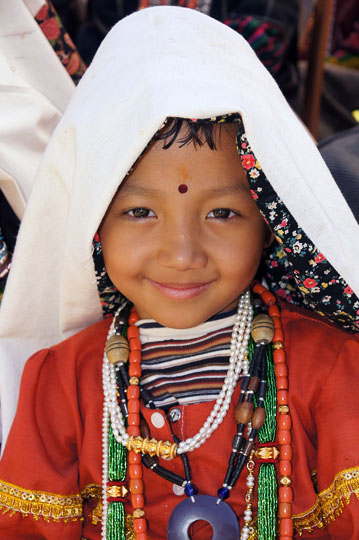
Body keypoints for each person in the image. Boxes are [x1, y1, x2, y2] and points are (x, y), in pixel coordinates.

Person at [0, 6, 359, 540]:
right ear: (92, 223)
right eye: (140, 212)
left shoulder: (328, 370)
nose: (183, 253)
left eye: (223, 214)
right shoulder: (59, 384)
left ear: (270, 222)